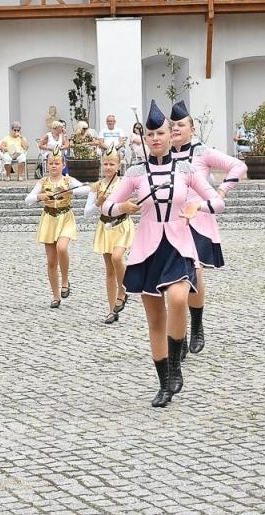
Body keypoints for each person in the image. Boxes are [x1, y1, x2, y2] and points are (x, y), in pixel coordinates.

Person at [103, 100, 225, 407]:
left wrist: (198, 206)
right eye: (150, 135)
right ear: (145, 139)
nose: (156, 138)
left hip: (180, 246)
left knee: (179, 299)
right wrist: (123, 207)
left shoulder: (186, 170)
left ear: (171, 135)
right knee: (156, 321)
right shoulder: (135, 173)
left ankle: (176, 362)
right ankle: (164, 382)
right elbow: (106, 206)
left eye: (161, 133)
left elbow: (217, 201)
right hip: (147, 249)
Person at [169, 99, 246, 354]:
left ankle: (197, 325)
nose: (175, 128)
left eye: (181, 125)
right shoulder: (163, 155)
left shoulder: (202, 152)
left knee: (195, 273)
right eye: (172, 125)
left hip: (199, 221)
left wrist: (222, 191)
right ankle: (178, 335)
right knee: (175, 281)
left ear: (192, 129)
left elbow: (238, 165)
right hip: (171, 222)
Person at [25, 152, 88, 307]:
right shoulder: (43, 182)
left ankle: (65, 280)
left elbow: (86, 189)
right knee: (51, 261)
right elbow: (28, 199)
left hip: (65, 217)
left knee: (62, 247)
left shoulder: (68, 180)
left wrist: (70, 191)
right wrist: (40, 196)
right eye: (51, 163)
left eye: (57, 163)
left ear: (63, 165)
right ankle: (55, 295)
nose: (53, 166)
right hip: (49, 219)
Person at [83, 150, 133, 324]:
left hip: (121, 225)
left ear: (118, 165)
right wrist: (98, 202)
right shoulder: (97, 186)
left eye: (112, 164)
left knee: (117, 258)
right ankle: (112, 310)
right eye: (106, 164)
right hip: (105, 227)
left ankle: (123, 290)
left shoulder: (124, 183)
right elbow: (87, 213)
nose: (109, 167)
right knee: (110, 270)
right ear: (101, 165)